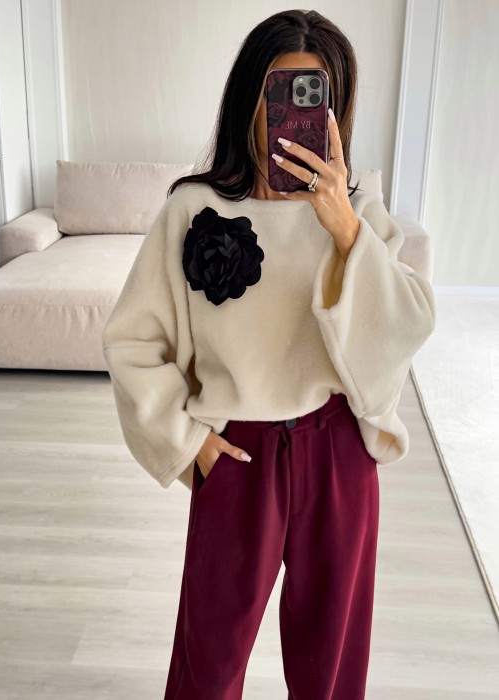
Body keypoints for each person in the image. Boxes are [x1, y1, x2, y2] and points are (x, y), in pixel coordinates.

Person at [101, 9, 436, 700]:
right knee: (207, 665)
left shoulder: (358, 215)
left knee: (331, 669)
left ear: (336, 112)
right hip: (236, 455)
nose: (291, 116)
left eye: (314, 97)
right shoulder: (192, 211)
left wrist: (346, 231)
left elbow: (406, 325)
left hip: (338, 455)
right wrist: (187, 442)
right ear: (248, 99)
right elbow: (134, 340)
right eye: (277, 93)